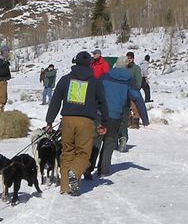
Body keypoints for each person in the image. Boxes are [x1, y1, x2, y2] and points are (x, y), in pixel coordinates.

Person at [45, 51, 109, 196]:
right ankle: (75, 171)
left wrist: (49, 121)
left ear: (76, 62)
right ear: (89, 64)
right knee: (83, 153)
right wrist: (104, 122)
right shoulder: (95, 81)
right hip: (86, 122)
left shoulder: (65, 79)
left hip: (67, 120)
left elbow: (55, 101)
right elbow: (103, 103)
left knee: (67, 152)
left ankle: (65, 187)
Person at [86, 67, 149, 178]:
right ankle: (103, 170)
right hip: (115, 116)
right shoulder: (128, 81)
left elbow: (93, 92)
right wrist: (144, 118)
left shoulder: (105, 77)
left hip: (100, 114)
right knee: (110, 142)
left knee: (95, 141)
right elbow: (137, 98)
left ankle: (88, 169)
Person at [0, 45, 12, 114]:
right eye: (8, 51)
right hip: (0, 81)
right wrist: (5, 63)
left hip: (3, 80)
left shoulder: (2, 60)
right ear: (4, 52)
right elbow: (0, 72)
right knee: (1, 99)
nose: (9, 53)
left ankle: (1, 113)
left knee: (4, 98)